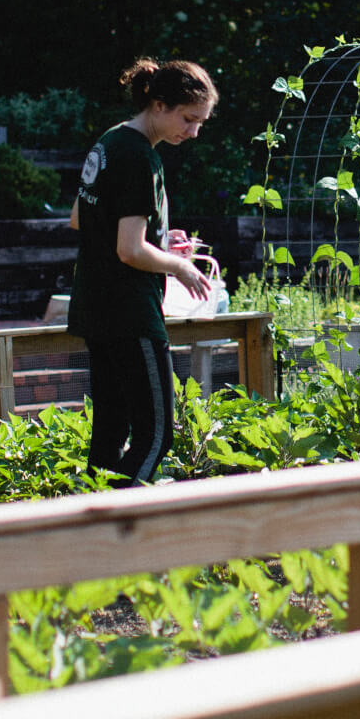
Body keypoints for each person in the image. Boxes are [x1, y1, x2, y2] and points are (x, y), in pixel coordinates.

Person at [67, 58, 217, 484]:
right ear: (159, 104)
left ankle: (93, 527)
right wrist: (180, 266)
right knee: (156, 436)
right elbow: (130, 251)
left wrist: (160, 241)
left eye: (201, 122)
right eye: (188, 120)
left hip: (95, 307)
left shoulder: (110, 141)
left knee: (110, 432)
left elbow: (81, 218)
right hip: (131, 312)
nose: (193, 132)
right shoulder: (140, 157)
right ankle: (125, 528)